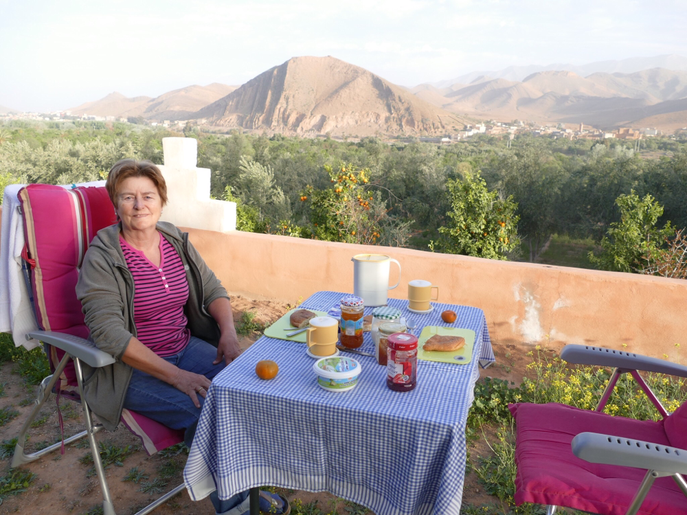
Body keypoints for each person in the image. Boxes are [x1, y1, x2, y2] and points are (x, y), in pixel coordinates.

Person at [76, 159, 290, 515]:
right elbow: (110, 334)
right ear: (116, 203)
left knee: (248, 390)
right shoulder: (103, 257)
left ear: (161, 200)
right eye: (128, 197)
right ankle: (237, 505)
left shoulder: (173, 238)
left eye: (148, 196)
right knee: (207, 412)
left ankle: (248, 481)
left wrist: (228, 334)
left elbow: (213, 289)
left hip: (184, 346)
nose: (139, 205)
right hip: (131, 370)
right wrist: (178, 377)